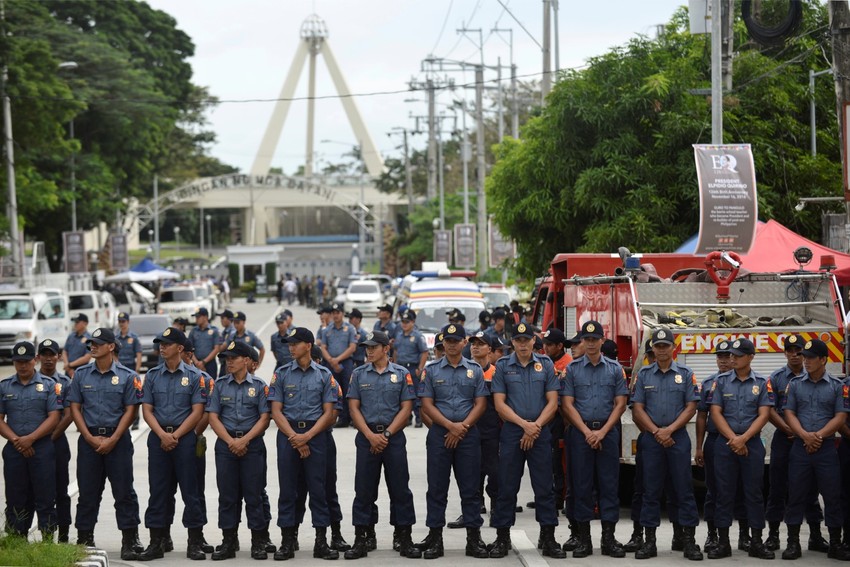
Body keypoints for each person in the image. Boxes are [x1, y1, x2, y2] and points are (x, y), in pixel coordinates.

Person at [488, 323, 566, 559]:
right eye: (518, 340)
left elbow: (553, 402)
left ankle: (548, 536)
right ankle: (502, 538)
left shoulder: (546, 365)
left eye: (526, 339)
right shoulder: (502, 366)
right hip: (513, 431)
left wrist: (535, 427)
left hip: (540, 431)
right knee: (506, 486)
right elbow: (499, 404)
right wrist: (525, 426)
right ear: (512, 342)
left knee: (544, 487)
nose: (522, 344)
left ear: (534, 341)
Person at [66, 328, 143, 559]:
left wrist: (114, 438)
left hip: (117, 441)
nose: (93, 346)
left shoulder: (128, 376)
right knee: (88, 492)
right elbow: (75, 408)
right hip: (89, 440)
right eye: (91, 343)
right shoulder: (80, 374)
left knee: (124, 492)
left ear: (111, 346)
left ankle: (130, 539)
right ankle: (84, 538)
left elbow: (131, 410)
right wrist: (88, 437)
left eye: (98, 343)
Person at [416, 323, 489, 560]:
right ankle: (435, 538)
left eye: (455, 340)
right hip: (440, 434)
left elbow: (481, 403)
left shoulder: (475, 370)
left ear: (464, 343)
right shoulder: (432, 370)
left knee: (470, 490)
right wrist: (450, 427)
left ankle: (473, 538)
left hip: (468, 435)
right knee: (437, 489)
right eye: (447, 341)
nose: (451, 344)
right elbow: (426, 404)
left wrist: (463, 427)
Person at [345, 330, 418, 559]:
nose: (369, 351)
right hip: (367, 438)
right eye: (367, 347)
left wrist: (385, 434)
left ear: (386, 349)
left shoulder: (401, 373)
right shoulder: (358, 374)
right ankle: (363, 537)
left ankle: (403, 536)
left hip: (393, 438)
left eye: (373, 347)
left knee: (400, 489)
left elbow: (406, 408)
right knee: (364, 490)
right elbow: (353, 407)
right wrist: (369, 435)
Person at [630, 329, 702, 560]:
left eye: (665, 346)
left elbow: (691, 406)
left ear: (673, 348)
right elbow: (638, 408)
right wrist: (655, 431)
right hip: (652, 438)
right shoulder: (644, 375)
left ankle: (689, 542)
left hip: (677, 438)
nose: (661, 350)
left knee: (683, 490)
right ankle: (649, 542)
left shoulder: (686, 373)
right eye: (657, 346)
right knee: (650, 490)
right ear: (653, 349)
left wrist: (669, 430)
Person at [268, 327, 339, 561]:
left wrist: (306, 437)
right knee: (288, 490)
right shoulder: (282, 373)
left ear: (308, 346)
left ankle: (321, 541)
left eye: (295, 343)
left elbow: (329, 413)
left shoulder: (323, 375)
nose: (291, 347)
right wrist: (295, 438)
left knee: (318, 489)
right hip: (289, 435)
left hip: (315, 435)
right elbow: (276, 411)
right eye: (289, 344)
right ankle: (287, 541)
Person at [137, 327, 207, 561]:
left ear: (179, 348)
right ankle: (156, 542)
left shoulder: (195, 376)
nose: (161, 347)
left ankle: (194, 542)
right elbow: (147, 410)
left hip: (185, 439)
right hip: (158, 438)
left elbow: (197, 411)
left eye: (166, 344)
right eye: (160, 344)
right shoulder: (153, 375)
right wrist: (163, 435)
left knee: (191, 491)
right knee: (158, 491)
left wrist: (175, 435)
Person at [561, 321, 628, 558]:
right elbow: (567, 404)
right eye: (586, 340)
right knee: (581, 486)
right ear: (582, 342)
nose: (590, 343)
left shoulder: (615, 369)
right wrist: (587, 432)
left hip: (607, 433)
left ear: (602, 340)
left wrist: (602, 431)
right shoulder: (572, 369)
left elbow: (620, 403)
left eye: (594, 339)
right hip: (580, 434)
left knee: (609, 485)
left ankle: (608, 539)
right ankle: (584, 539)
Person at [782, 339, 850, 561]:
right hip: (801, 448)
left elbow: (840, 416)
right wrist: (804, 435)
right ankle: (793, 544)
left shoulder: (836, 386)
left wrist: (818, 436)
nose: (806, 361)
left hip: (826, 448)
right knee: (796, 495)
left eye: (811, 358)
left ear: (823, 360)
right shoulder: (795, 384)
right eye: (804, 357)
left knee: (832, 496)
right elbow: (789, 412)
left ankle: (835, 543)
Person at [707, 338, 774, 559]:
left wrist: (743, 438)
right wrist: (733, 439)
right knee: (724, 494)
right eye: (731, 355)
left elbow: (764, 414)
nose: (732, 359)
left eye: (738, 355)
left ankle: (756, 541)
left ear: (751, 357)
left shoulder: (762, 383)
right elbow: (715, 412)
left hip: (752, 444)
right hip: (726, 444)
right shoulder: (722, 381)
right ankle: (723, 542)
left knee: (753, 493)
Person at [206, 340, 271, 560]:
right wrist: (231, 441)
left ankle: (258, 541)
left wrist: (245, 441)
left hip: (252, 446)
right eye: (227, 358)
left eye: (233, 358)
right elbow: (213, 416)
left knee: (254, 494)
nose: (229, 362)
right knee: (227, 495)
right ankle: (228, 541)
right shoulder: (220, 384)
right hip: (226, 447)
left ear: (246, 360)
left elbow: (265, 417)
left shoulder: (259, 386)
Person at [765, 334, 828, 552]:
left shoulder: (813, 375)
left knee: (810, 488)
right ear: (784, 353)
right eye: (790, 350)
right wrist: (786, 428)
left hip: (807, 439)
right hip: (785, 438)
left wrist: (804, 434)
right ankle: (773, 536)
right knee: (777, 487)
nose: (794, 355)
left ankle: (816, 536)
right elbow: (769, 408)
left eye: (798, 351)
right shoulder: (776, 378)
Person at [0, 341, 60, 537]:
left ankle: (48, 540)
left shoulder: (49, 385)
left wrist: (31, 439)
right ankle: (16, 538)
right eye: (18, 362)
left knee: (45, 496)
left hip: (41, 448)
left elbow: (54, 417)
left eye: (26, 361)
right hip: (14, 448)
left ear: (35, 360)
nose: (23, 366)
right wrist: (18, 440)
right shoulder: (4, 386)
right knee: (16, 497)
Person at [447, 332, 500, 529]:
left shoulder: (497, 372)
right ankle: (472, 510)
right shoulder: (463, 370)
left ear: (490, 350)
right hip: (468, 430)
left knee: (494, 472)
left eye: (481, 344)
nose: (475, 347)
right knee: (470, 474)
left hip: (491, 431)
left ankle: (496, 510)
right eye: (473, 344)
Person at [695, 340, 733, 553]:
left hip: (740, 440)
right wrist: (699, 446)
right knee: (714, 490)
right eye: (720, 356)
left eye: (727, 356)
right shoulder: (709, 383)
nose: (724, 361)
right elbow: (702, 416)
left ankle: (745, 536)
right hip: (715, 440)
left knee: (742, 490)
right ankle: (712, 535)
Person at [180, 339, 216, 555]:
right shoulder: (158, 374)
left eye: (185, 352)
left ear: (190, 353)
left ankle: (197, 536)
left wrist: (193, 433)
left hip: (193, 441)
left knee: (194, 489)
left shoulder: (204, 379)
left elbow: (207, 413)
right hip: (167, 438)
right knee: (162, 491)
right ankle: (161, 537)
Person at [38, 339, 74, 543]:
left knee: (61, 489)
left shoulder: (65, 382)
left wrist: (50, 437)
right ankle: (44, 534)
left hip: (56, 441)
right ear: (38, 357)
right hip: (34, 443)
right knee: (39, 490)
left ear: (59, 357)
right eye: (44, 354)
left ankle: (63, 533)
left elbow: (68, 415)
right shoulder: (31, 380)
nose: (48, 358)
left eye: (52, 354)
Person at [318, 303, 357, 428]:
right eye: (333, 313)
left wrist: (338, 360)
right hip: (331, 363)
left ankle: (349, 417)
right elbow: (323, 347)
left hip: (346, 362)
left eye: (338, 312)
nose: (335, 315)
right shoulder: (328, 329)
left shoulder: (350, 328)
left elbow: (352, 347)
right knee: (333, 390)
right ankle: (338, 417)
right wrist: (331, 360)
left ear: (342, 314)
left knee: (348, 390)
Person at [393, 310, 429, 428]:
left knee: (415, 394)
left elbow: (424, 352)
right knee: (401, 394)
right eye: (403, 322)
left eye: (407, 322)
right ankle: (407, 418)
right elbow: (396, 351)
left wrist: (420, 368)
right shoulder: (399, 335)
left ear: (413, 322)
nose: (404, 324)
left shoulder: (418, 336)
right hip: (400, 367)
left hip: (412, 368)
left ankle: (419, 418)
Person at [189, 307, 221, 379]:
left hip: (210, 363)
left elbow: (216, 349)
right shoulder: (193, 331)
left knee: (211, 386)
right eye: (196, 317)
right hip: (196, 363)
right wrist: (197, 362)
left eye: (198, 317)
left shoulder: (214, 330)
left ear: (205, 317)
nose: (196, 319)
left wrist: (203, 362)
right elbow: (189, 348)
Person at [63, 313, 91, 378]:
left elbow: (87, 357)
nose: (75, 324)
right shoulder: (71, 336)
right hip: (68, 371)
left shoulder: (89, 338)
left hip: (82, 371)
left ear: (85, 323)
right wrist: (68, 367)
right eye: (74, 322)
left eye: (77, 322)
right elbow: (64, 351)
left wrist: (70, 365)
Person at [216, 310, 237, 377]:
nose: (221, 320)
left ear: (229, 319)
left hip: (229, 363)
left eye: (222, 318)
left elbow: (222, 347)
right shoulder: (224, 332)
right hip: (224, 362)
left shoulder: (232, 332)